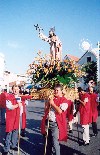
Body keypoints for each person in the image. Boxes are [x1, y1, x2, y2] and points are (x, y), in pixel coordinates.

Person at [41, 84, 70, 155]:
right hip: (47, 122)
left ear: (61, 91)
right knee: (47, 141)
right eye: (55, 90)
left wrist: (53, 104)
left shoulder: (65, 101)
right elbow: (45, 110)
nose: (55, 91)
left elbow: (60, 111)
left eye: (57, 90)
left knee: (55, 142)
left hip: (55, 124)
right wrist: (47, 102)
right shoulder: (52, 99)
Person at [2, 85, 22, 155]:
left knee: (15, 132)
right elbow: (9, 106)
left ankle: (13, 145)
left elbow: (22, 107)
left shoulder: (20, 97)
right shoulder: (9, 97)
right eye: (14, 89)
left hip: (16, 117)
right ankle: (6, 148)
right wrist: (17, 105)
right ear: (12, 90)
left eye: (17, 89)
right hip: (10, 118)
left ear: (19, 90)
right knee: (9, 133)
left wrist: (20, 112)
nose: (16, 90)